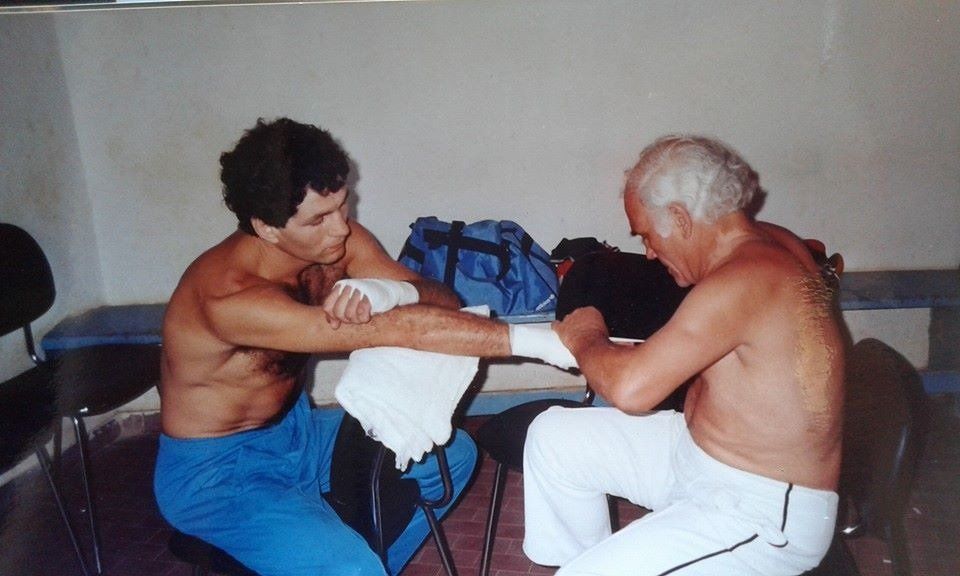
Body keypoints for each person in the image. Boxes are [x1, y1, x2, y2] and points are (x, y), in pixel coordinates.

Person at [153, 117, 575, 576]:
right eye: (318, 219)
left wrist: (391, 291)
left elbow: (446, 301)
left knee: (453, 459)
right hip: (217, 473)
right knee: (347, 566)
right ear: (268, 228)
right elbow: (405, 331)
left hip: (298, 433)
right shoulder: (231, 298)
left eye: (341, 206)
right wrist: (550, 343)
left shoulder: (335, 245)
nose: (341, 229)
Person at [523, 135, 845, 575]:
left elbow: (631, 391)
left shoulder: (748, 277)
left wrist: (584, 337)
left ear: (680, 217)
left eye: (649, 236)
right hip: (697, 458)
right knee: (554, 438)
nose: (650, 253)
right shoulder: (765, 242)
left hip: (759, 508)